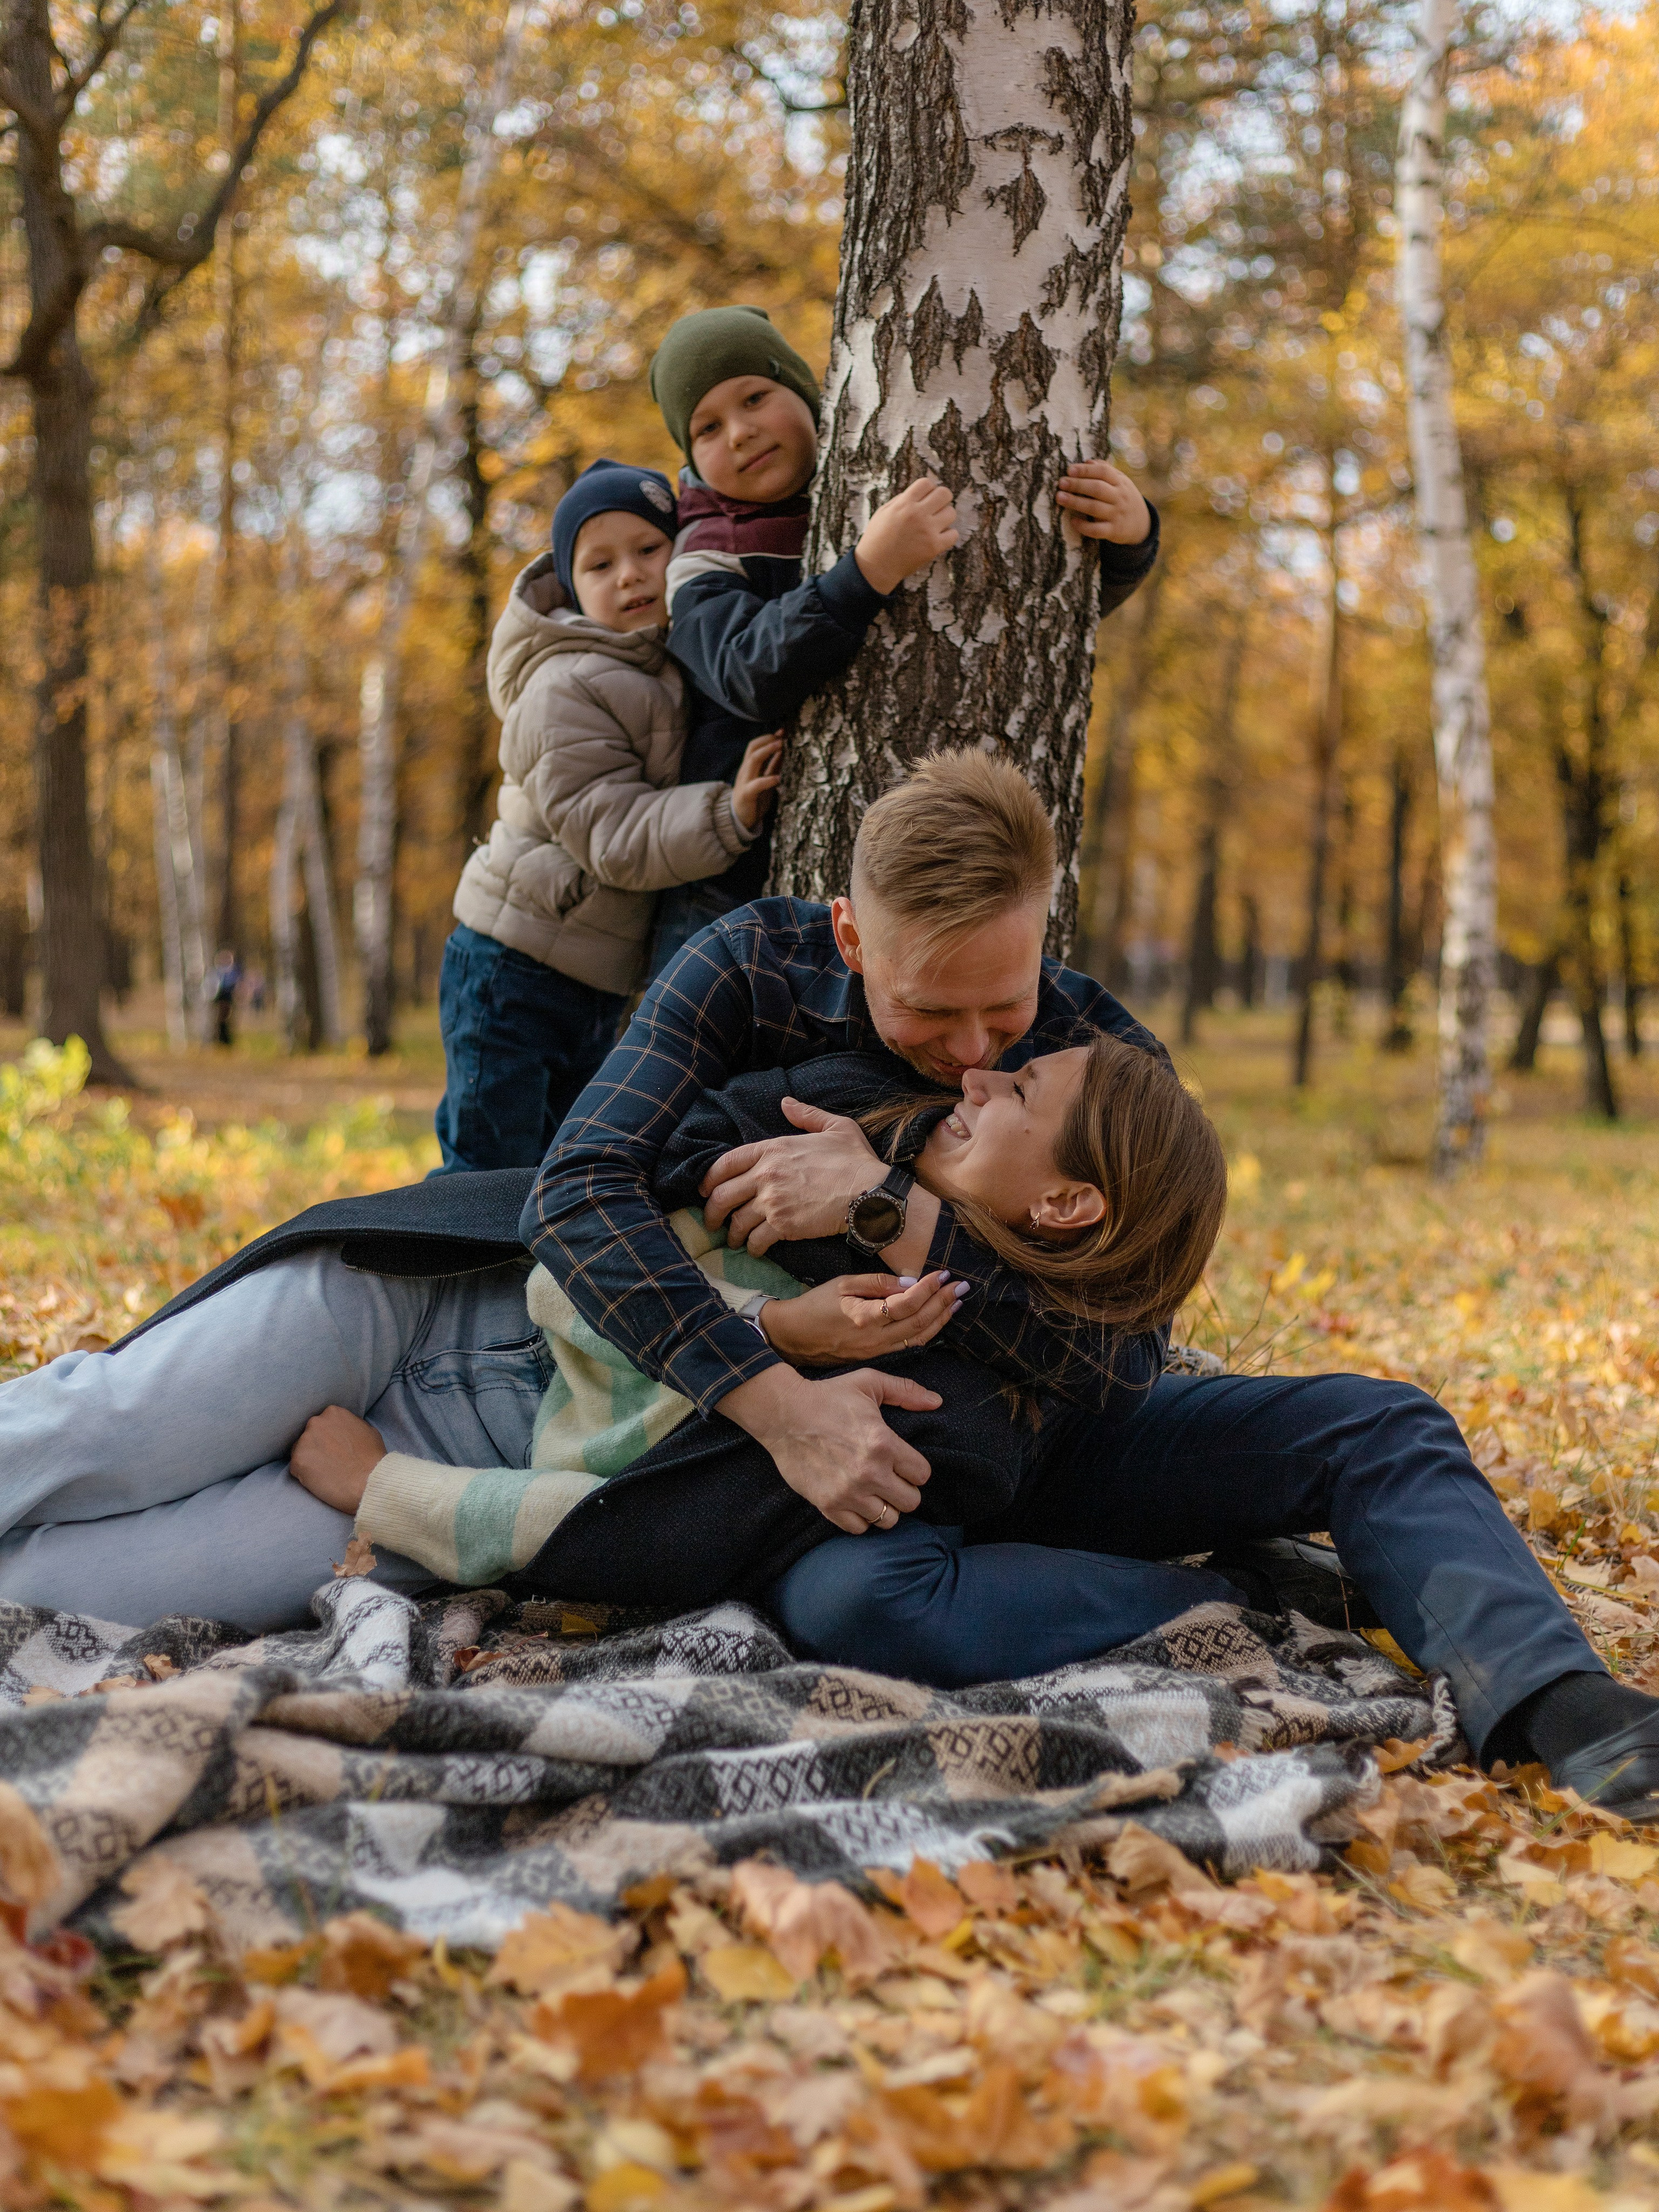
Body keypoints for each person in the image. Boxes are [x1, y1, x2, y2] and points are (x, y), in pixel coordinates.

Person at [525, 747, 1659, 1821]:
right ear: (851, 936)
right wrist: (773, 1399)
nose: (972, 1050)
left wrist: (895, 1211)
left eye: (1003, 1011)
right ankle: (1239, 1600)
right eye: (930, 1006)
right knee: (852, 1606)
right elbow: (574, 1193)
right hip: (872, 1465)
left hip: (1061, 1432)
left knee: (1378, 1424)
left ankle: (1555, 1700)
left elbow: (1122, 1354)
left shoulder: (1102, 1056)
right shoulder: (744, 969)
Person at [286, 1033, 1231, 1664]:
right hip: (414, 1298)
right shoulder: (845, 1156)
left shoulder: (922, 1397)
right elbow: (568, 1275)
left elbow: (628, 1527)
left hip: (444, 1466)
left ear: (1066, 1205)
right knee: (128, 1427)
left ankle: (1216, 1592)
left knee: (145, 1565)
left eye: (1019, 1088)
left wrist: (385, 1491)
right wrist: (771, 1323)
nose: (978, 1072)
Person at [642, 305, 1160, 973]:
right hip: (722, 886)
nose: (739, 433)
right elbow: (747, 672)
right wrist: (866, 571)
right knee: (694, 1057)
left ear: (806, 393)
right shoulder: (703, 557)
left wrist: (1132, 539)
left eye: (755, 397)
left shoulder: (863, 482)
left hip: (872, 882)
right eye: (706, 428)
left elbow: (1031, 623)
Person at [435, 459, 785, 1173]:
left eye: (648, 550)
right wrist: (727, 814)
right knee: (487, 1161)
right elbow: (612, 834)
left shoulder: (666, 665)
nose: (629, 574)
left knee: (554, 1159)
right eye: (600, 563)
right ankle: (436, 1281)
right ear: (570, 585)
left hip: (590, 975)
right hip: (512, 964)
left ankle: (521, 1281)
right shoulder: (563, 685)